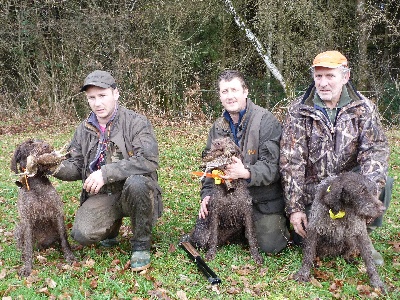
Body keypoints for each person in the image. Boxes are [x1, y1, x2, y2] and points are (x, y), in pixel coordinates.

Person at [280, 50, 392, 265]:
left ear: (345, 77)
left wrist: (367, 195)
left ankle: (363, 235)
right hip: (316, 190)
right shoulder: (298, 110)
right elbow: (290, 162)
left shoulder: (364, 108)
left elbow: (375, 152)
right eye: (318, 76)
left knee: (383, 181)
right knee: (306, 239)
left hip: (351, 188)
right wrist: (295, 209)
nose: (323, 83)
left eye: (330, 76)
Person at [53, 70, 162, 271]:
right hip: (104, 194)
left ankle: (141, 245)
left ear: (115, 94)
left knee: (137, 183)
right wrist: (53, 166)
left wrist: (105, 173)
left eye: (102, 95)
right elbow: (76, 166)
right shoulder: (83, 129)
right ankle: (112, 228)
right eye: (91, 98)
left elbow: (148, 159)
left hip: (135, 190)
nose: (97, 103)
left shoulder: (136, 122)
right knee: (82, 234)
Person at [188, 69, 289, 254]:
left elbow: (274, 167)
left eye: (234, 90)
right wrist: (207, 195)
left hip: (261, 199)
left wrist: (246, 172)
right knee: (202, 242)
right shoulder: (217, 128)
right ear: (219, 96)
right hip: (227, 197)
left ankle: (264, 225)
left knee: (271, 246)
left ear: (245, 91)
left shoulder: (265, 121)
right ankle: (237, 227)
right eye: (224, 91)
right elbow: (210, 168)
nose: (230, 96)